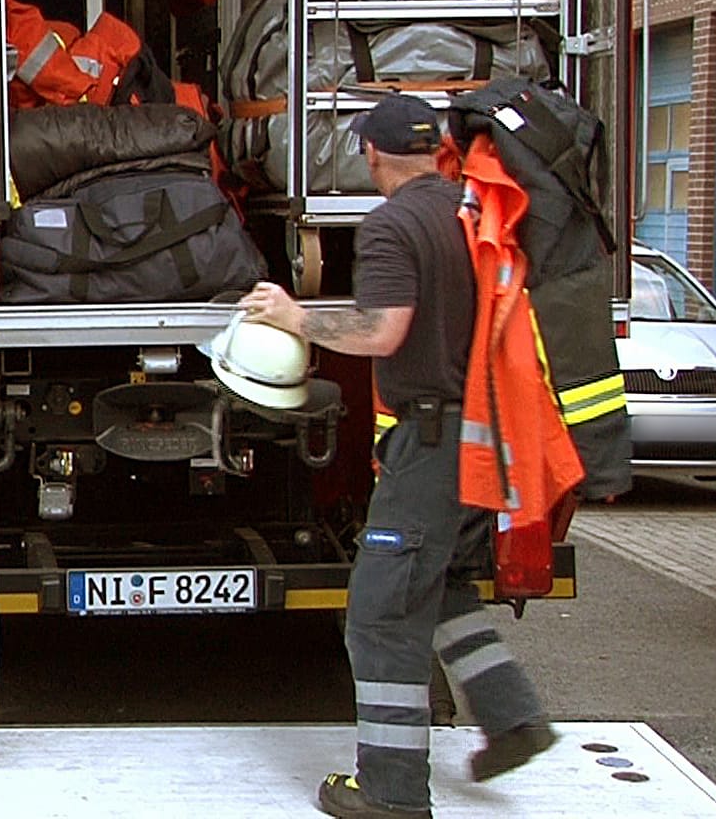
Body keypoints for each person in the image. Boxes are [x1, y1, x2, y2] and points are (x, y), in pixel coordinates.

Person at [236, 93, 554, 819]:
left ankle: (391, 789)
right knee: (438, 587)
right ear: (437, 149)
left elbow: (383, 331)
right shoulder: (469, 210)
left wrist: (295, 315)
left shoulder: (391, 227)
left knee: (379, 616)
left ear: (371, 156)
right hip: (479, 440)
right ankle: (512, 719)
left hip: (431, 444)